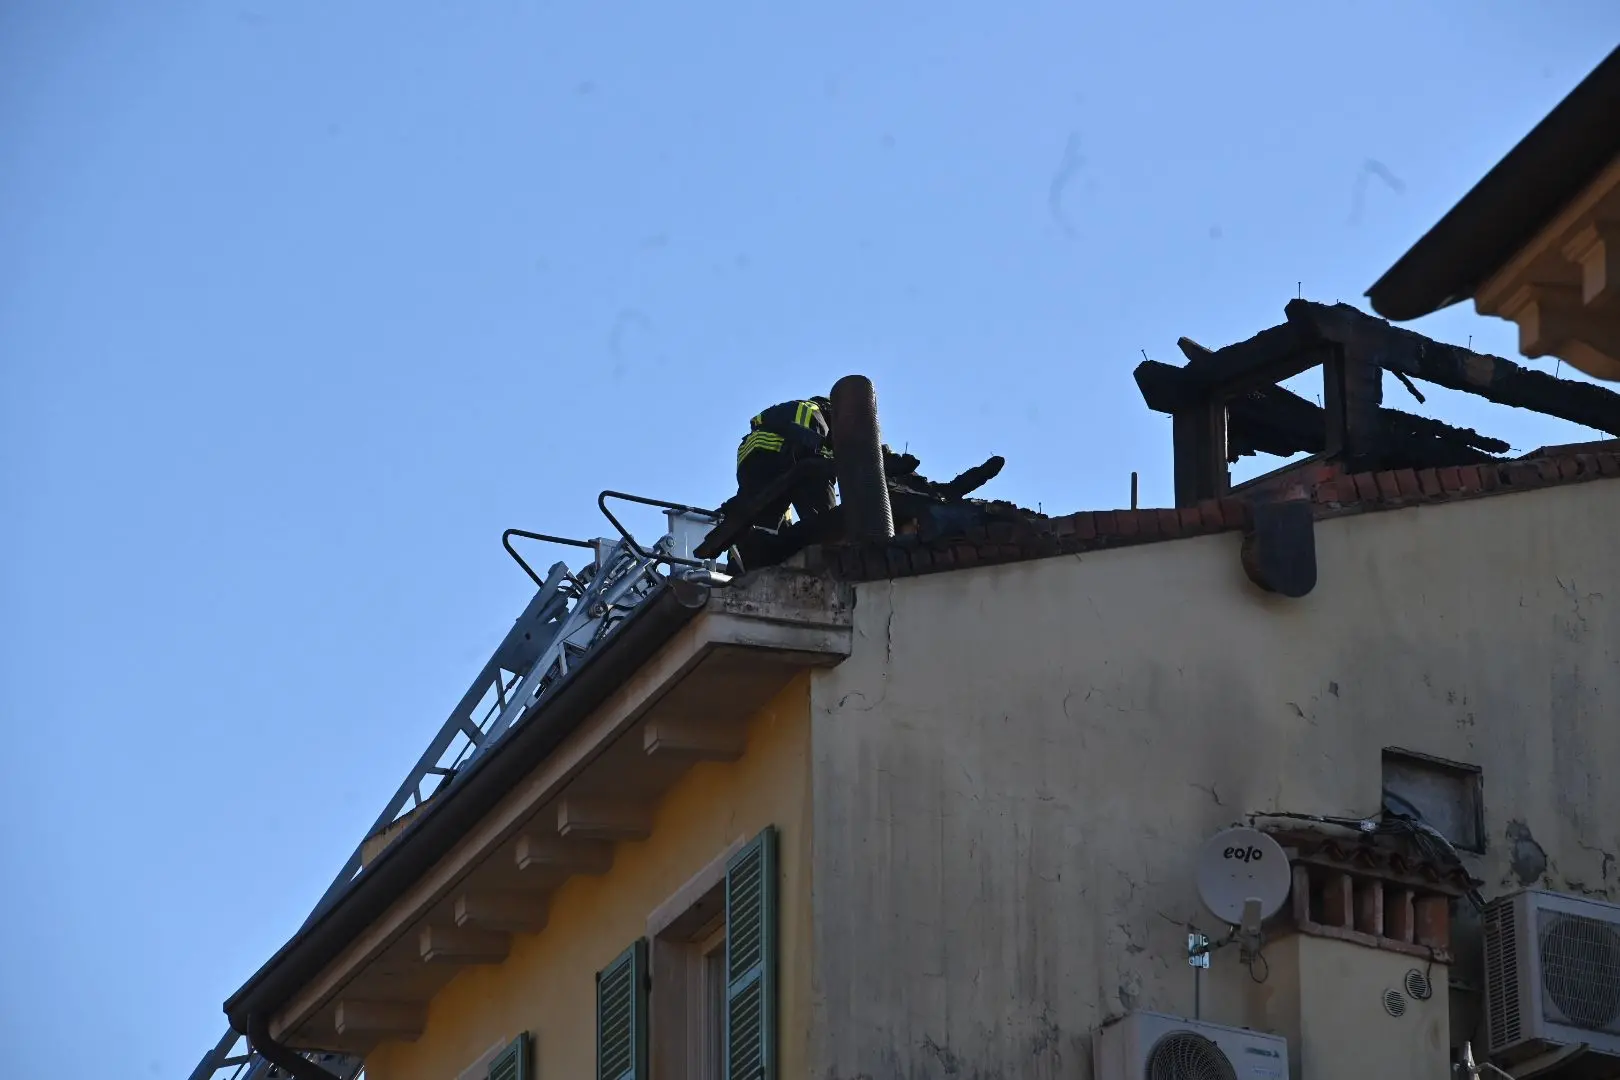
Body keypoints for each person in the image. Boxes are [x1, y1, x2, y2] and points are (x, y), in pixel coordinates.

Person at [730, 396, 837, 569]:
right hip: (776, 452)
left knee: (762, 521)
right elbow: (816, 469)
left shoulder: (783, 412)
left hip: (749, 456)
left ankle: (738, 564)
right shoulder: (813, 412)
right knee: (825, 519)